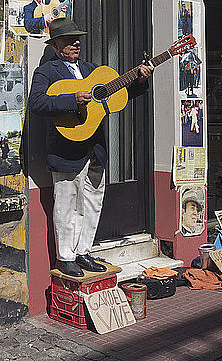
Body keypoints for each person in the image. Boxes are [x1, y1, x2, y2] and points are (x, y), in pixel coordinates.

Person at [27, 17, 153, 277]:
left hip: (94, 148)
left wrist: (139, 80)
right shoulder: (48, 72)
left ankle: (83, 251)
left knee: (94, 200)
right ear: (55, 45)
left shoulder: (91, 69)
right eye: (69, 40)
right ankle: (66, 256)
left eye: (78, 39)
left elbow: (120, 94)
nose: (76, 43)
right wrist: (71, 99)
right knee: (66, 203)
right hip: (66, 148)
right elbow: (36, 103)